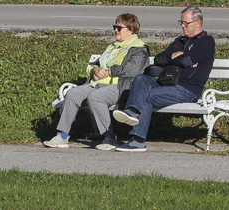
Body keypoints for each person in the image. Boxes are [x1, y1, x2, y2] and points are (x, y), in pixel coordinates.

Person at [113, 6, 215, 152]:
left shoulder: (206, 42)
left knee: (147, 97)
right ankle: (131, 111)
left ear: (197, 22)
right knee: (141, 79)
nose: (182, 26)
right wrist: (172, 57)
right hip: (166, 83)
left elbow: (186, 60)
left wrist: (175, 58)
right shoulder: (178, 41)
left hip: (187, 89)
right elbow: (159, 59)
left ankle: (137, 140)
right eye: (181, 22)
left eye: (186, 23)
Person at [43, 13, 150, 150]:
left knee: (96, 97)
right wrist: (95, 70)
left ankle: (109, 137)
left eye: (119, 27)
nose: (115, 30)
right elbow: (94, 64)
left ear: (131, 30)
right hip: (97, 83)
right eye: (114, 27)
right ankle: (62, 136)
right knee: (72, 94)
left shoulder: (139, 48)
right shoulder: (112, 46)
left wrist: (110, 71)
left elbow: (132, 70)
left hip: (121, 87)